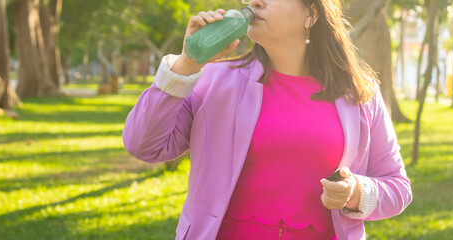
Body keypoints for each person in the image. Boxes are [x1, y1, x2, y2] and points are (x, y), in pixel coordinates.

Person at [122, 0, 412, 239]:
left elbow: (398, 187)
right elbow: (143, 144)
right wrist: (187, 63)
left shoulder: (359, 94)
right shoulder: (215, 80)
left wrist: (357, 192)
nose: (254, 2)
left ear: (310, 14)